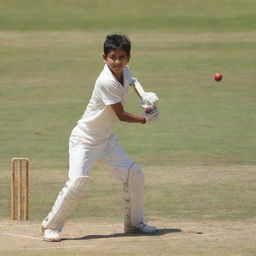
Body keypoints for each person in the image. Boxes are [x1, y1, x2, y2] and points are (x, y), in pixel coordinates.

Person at [41, 34, 159, 242]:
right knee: (78, 183)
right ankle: (50, 226)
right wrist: (145, 119)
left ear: (128, 58)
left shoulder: (125, 71)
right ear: (104, 58)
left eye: (121, 57)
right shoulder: (105, 81)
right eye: (112, 57)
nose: (117, 62)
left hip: (105, 140)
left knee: (135, 174)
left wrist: (144, 95)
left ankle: (134, 223)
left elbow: (133, 80)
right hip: (85, 141)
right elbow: (121, 116)